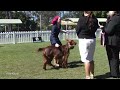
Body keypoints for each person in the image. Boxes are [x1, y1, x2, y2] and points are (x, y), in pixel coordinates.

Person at [76, 11, 102, 79]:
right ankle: (92, 75)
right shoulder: (95, 19)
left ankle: (87, 76)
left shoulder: (81, 19)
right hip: (92, 40)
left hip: (84, 40)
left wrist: (79, 36)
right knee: (91, 58)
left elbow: (77, 29)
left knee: (86, 59)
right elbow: (96, 28)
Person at [104, 11, 120, 78]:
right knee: (115, 57)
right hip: (117, 40)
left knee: (113, 57)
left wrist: (103, 28)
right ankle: (114, 72)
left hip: (112, 41)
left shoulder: (115, 18)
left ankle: (114, 73)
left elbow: (108, 30)